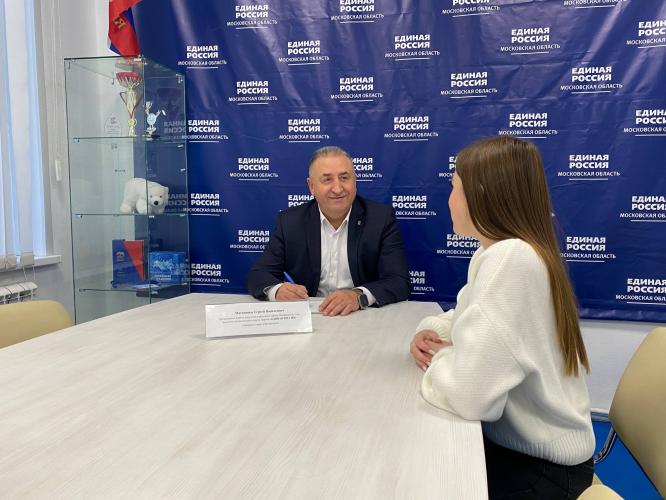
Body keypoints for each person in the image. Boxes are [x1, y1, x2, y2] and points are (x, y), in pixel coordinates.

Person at [409, 136, 595, 498]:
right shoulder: (501, 251)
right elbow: (464, 317)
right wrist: (431, 330)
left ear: (481, 193)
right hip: (528, 453)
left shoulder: (510, 259)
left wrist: (441, 357)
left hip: (542, 473)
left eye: (454, 187)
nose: (449, 200)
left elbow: (469, 396)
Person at [247, 146, 410, 316]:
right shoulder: (290, 222)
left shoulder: (380, 219)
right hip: (312, 316)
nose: (338, 188)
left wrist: (358, 296)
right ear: (311, 186)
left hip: (363, 315)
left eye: (344, 178)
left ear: (355, 181)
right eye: (327, 180)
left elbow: (399, 281)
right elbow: (258, 274)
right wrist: (278, 290)